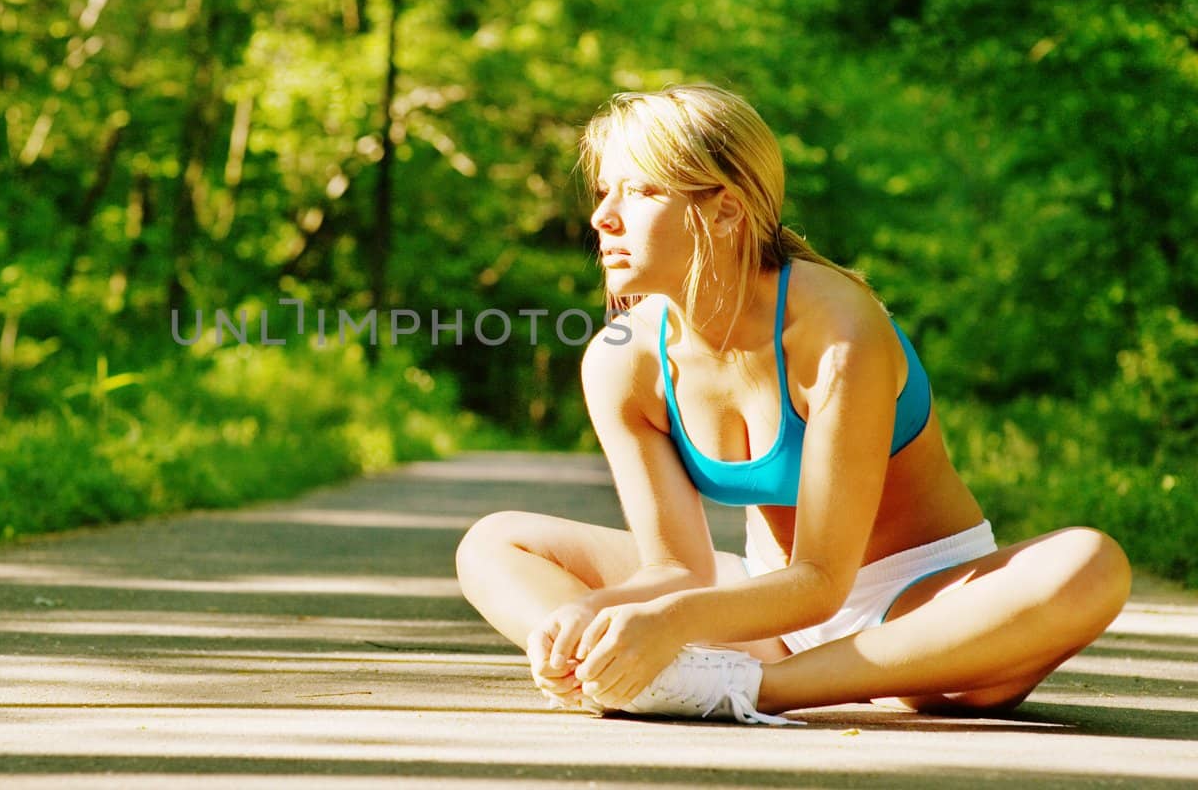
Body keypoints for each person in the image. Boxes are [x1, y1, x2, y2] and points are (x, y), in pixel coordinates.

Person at [455, 84, 1131, 724]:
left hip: (920, 609)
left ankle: (751, 689)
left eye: (641, 191)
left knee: (1090, 565)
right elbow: (677, 570)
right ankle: (632, 673)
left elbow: (823, 580)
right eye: (606, 191)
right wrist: (599, 616)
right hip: (761, 610)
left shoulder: (836, 328)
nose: (603, 216)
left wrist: (675, 624)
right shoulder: (621, 360)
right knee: (493, 544)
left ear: (724, 209)